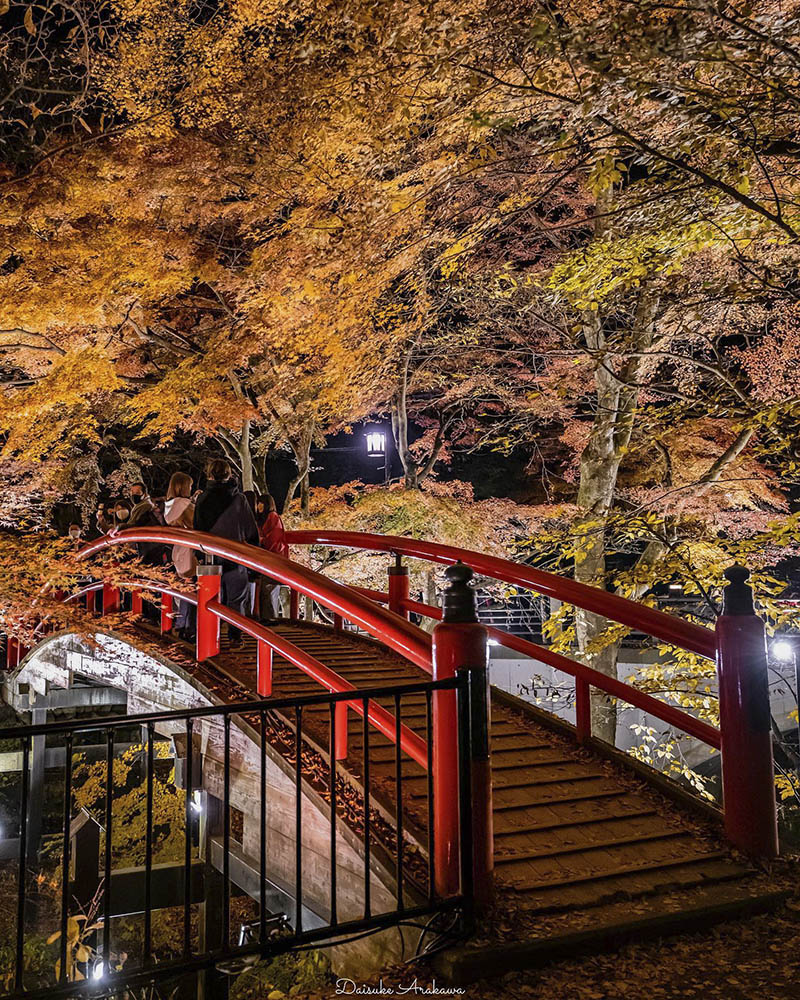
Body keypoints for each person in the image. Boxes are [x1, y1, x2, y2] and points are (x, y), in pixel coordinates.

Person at [194, 459, 259, 649]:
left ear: (210, 475)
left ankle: (208, 638)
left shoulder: (203, 499)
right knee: (236, 598)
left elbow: (197, 528)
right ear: (229, 475)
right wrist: (255, 553)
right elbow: (250, 529)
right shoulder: (239, 499)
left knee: (210, 598)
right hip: (235, 554)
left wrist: (198, 553)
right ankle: (234, 636)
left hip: (209, 556)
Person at [164, 472, 198, 641]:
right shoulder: (184, 503)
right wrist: (194, 504)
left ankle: (181, 624)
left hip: (177, 550)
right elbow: (196, 523)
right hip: (189, 550)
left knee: (184, 588)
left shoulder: (169, 504)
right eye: (189, 486)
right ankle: (189, 627)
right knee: (191, 588)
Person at [258, 494, 288, 620]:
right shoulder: (266, 518)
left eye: (260, 503)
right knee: (266, 591)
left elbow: (274, 539)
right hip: (266, 559)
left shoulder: (273, 517)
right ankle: (268, 618)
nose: (258, 506)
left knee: (268, 590)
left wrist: (260, 540)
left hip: (271, 560)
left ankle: (270, 619)